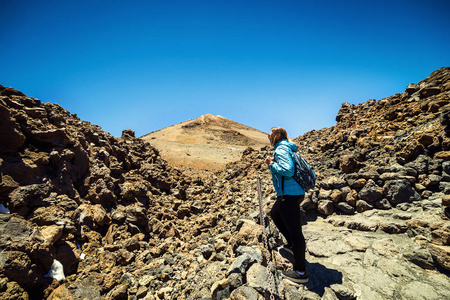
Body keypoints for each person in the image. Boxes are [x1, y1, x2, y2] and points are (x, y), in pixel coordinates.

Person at [264, 127, 308, 284]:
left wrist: (271, 164)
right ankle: (291, 245)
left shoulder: (281, 149)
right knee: (275, 212)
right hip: (291, 193)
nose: (268, 137)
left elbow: (288, 171)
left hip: (289, 194)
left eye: (270, 135)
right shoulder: (285, 147)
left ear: (276, 136)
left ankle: (301, 272)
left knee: (296, 232)